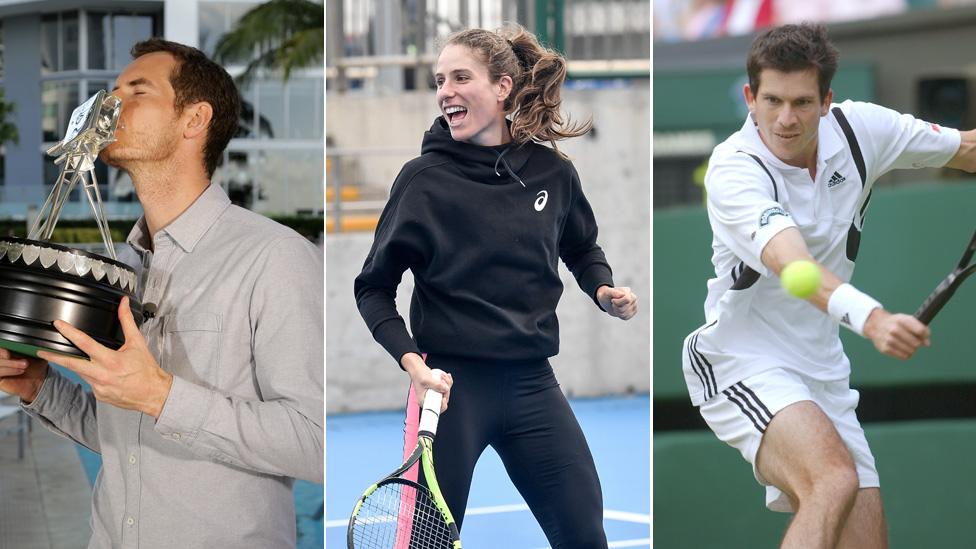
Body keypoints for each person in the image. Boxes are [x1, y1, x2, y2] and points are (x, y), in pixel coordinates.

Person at [0, 39, 323, 548]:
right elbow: (125, 436)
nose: (110, 104)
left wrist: (162, 395)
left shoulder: (275, 257)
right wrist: (39, 389)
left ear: (194, 120)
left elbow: (318, 443)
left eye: (137, 89)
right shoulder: (121, 267)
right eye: (113, 91)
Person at [682, 23, 976, 549]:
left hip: (822, 370)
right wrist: (874, 319)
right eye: (771, 100)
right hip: (742, 360)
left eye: (801, 102)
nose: (786, 118)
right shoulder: (736, 170)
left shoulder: (863, 130)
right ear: (750, 97)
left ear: (826, 102)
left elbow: (968, 150)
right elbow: (796, 269)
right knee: (830, 480)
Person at [354, 24, 638, 548]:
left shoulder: (553, 173)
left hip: (533, 386)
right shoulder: (422, 181)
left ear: (503, 87)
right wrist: (414, 366)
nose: (446, 91)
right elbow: (372, 288)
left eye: (462, 77)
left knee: (585, 535)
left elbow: (580, 247)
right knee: (427, 544)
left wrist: (602, 289)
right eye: (440, 80)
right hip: (448, 391)